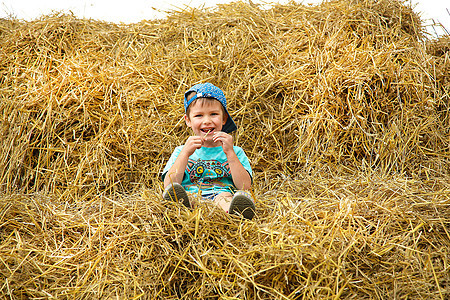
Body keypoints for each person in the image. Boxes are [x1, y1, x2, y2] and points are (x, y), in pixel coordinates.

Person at [161, 82, 255, 220]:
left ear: (223, 119)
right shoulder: (181, 151)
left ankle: (235, 212)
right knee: (185, 196)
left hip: (221, 195)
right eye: (199, 115)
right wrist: (185, 154)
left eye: (213, 114)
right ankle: (182, 209)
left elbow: (245, 186)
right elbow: (169, 185)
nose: (207, 121)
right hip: (192, 197)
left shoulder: (235, 151)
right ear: (188, 121)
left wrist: (230, 153)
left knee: (224, 199)